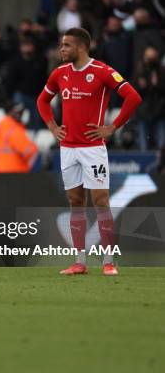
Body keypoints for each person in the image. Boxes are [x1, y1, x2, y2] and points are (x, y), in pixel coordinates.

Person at [36, 27, 142, 276]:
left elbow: (133, 97)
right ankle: (79, 262)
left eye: (66, 45)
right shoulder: (60, 73)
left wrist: (112, 128)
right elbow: (42, 101)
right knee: (75, 202)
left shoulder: (102, 72)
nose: (61, 49)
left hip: (93, 148)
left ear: (81, 47)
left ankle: (108, 261)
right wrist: (52, 126)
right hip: (68, 148)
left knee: (101, 201)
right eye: (61, 45)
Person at [0, 103, 38, 173]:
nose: (21, 114)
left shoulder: (2, 125)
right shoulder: (13, 128)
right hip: (14, 173)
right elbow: (30, 151)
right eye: (19, 112)